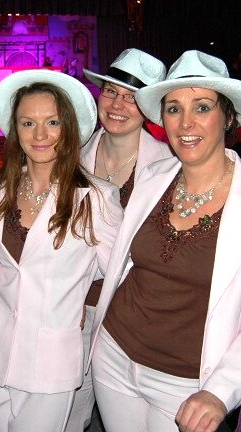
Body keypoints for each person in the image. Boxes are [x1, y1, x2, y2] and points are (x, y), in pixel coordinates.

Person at [90, 50, 241, 432]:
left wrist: (220, 391)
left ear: (228, 117)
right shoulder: (152, 176)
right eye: (174, 109)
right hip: (114, 355)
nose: (186, 123)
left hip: (188, 382)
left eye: (202, 107)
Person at [0, 69, 123, 431]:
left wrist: (82, 303)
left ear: (68, 128)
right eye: (28, 123)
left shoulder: (96, 199)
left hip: (50, 360)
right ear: (15, 130)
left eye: (52, 122)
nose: (40, 135)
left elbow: (118, 276)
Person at [66, 48, 170, 432]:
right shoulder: (70, 157)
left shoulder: (169, 166)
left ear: (148, 109)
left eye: (131, 97)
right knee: (69, 413)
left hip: (133, 314)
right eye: (111, 91)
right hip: (74, 309)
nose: (117, 105)